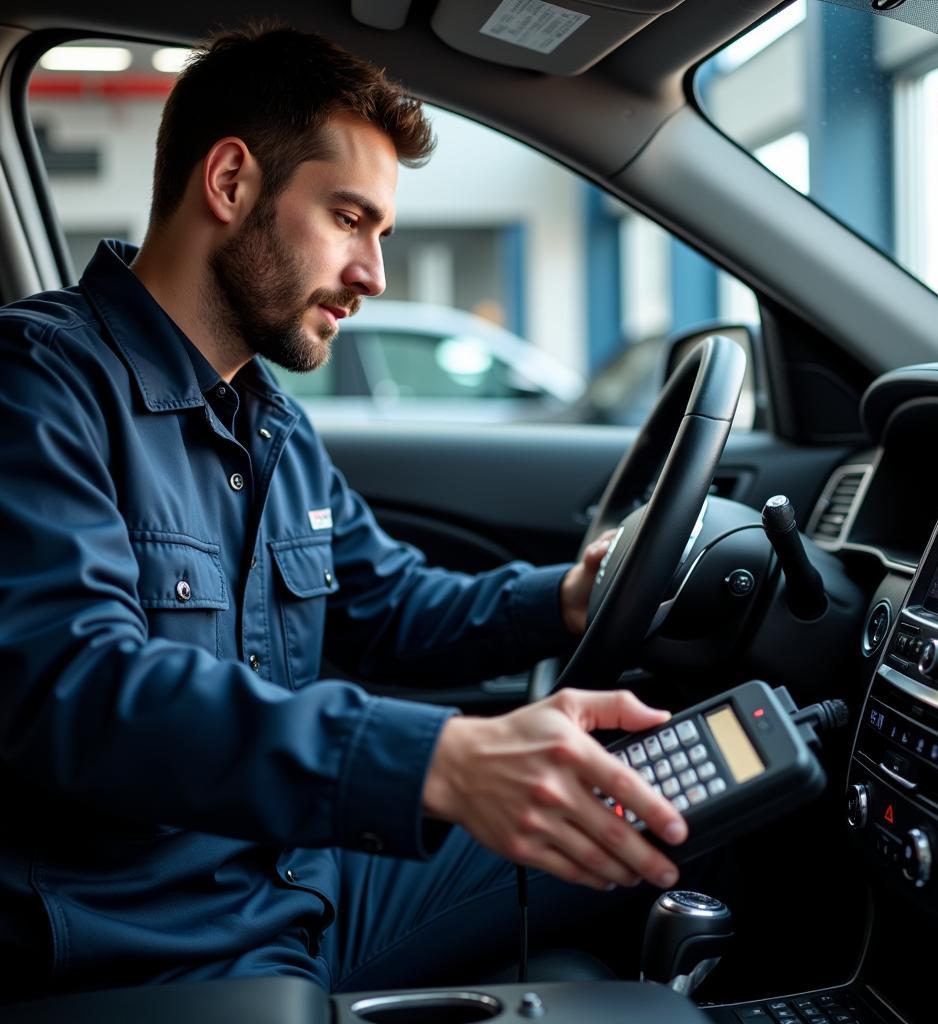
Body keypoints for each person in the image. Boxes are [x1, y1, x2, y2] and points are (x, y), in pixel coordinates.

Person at [0, 24, 688, 999]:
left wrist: (569, 597)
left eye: (382, 233)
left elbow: (389, 604)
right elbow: (72, 684)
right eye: (349, 218)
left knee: (663, 792)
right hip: (159, 934)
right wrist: (436, 761)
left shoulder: (268, 422)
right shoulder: (39, 385)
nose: (372, 272)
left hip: (294, 874)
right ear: (231, 183)